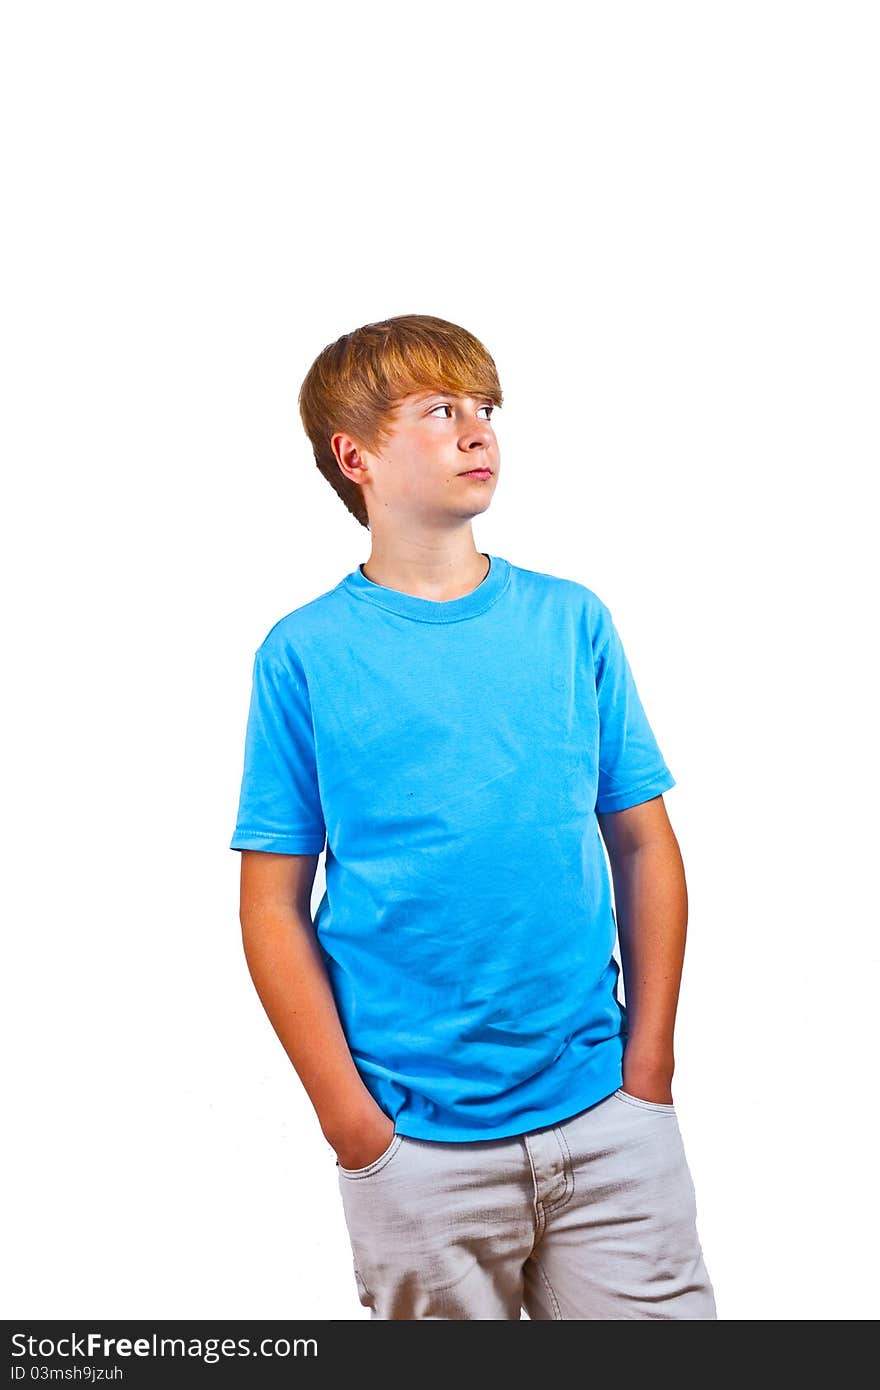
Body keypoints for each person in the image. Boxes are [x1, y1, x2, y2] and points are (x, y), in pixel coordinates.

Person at [229, 313, 717, 1320]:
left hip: (605, 1117)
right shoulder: (304, 654)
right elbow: (271, 903)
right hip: (412, 1145)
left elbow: (641, 840)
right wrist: (350, 1124)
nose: (478, 430)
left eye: (486, 408)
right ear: (353, 455)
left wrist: (650, 1068)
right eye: (439, 409)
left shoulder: (570, 619)